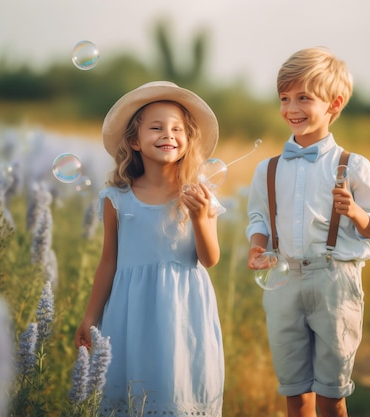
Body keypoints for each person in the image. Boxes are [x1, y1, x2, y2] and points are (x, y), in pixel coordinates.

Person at [246, 47, 370, 417]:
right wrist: (257, 245)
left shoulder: (352, 165)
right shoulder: (268, 169)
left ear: (334, 104)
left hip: (334, 282)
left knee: (332, 395)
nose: (291, 108)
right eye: (284, 98)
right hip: (283, 280)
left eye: (304, 98)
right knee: (295, 394)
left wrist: (357, 213)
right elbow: (259, 217)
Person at [75, 81, 224, 416]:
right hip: (130, 311)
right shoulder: (117, 198)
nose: (167, 135)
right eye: (156, 128)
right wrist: (91, 316)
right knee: (133, 391)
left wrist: (200, 217)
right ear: (134, 140)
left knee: (175, 385)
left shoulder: (199, 195)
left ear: (188, 140)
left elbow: (209, 259)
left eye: (177, 129)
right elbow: (108, 261)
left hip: (183, 310)